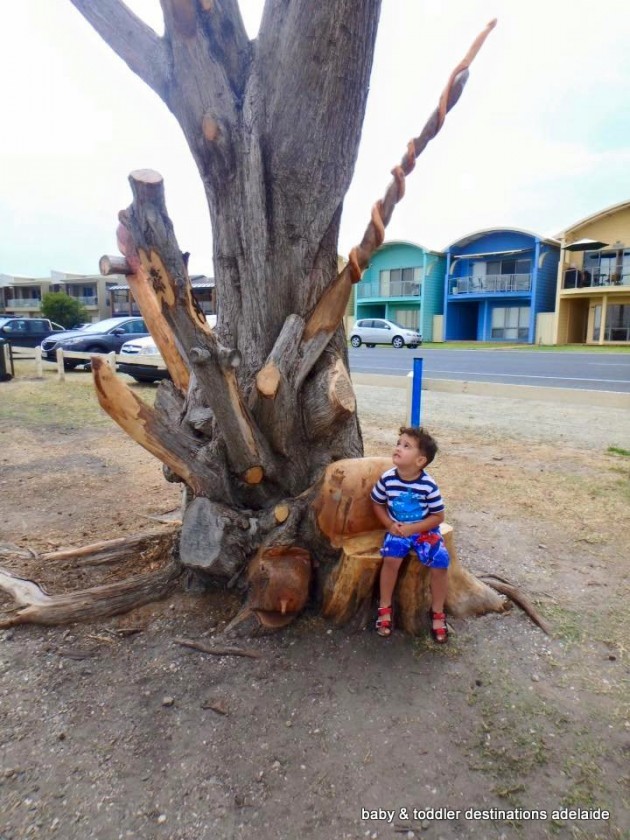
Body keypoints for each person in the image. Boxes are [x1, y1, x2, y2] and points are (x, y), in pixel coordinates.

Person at [370, 426, 450, 642]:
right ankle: (385, 607)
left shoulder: (428, 485)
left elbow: (438, 517)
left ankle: (438, 612)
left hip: (424, 530)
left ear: (420, 461)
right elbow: (376, 503)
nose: (398, 448)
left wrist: (413, 529)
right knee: (391, 559)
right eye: (399, 443)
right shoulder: (387, 479)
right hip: (397, 528)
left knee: (440, 562)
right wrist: (388, 524)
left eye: (406, 446)